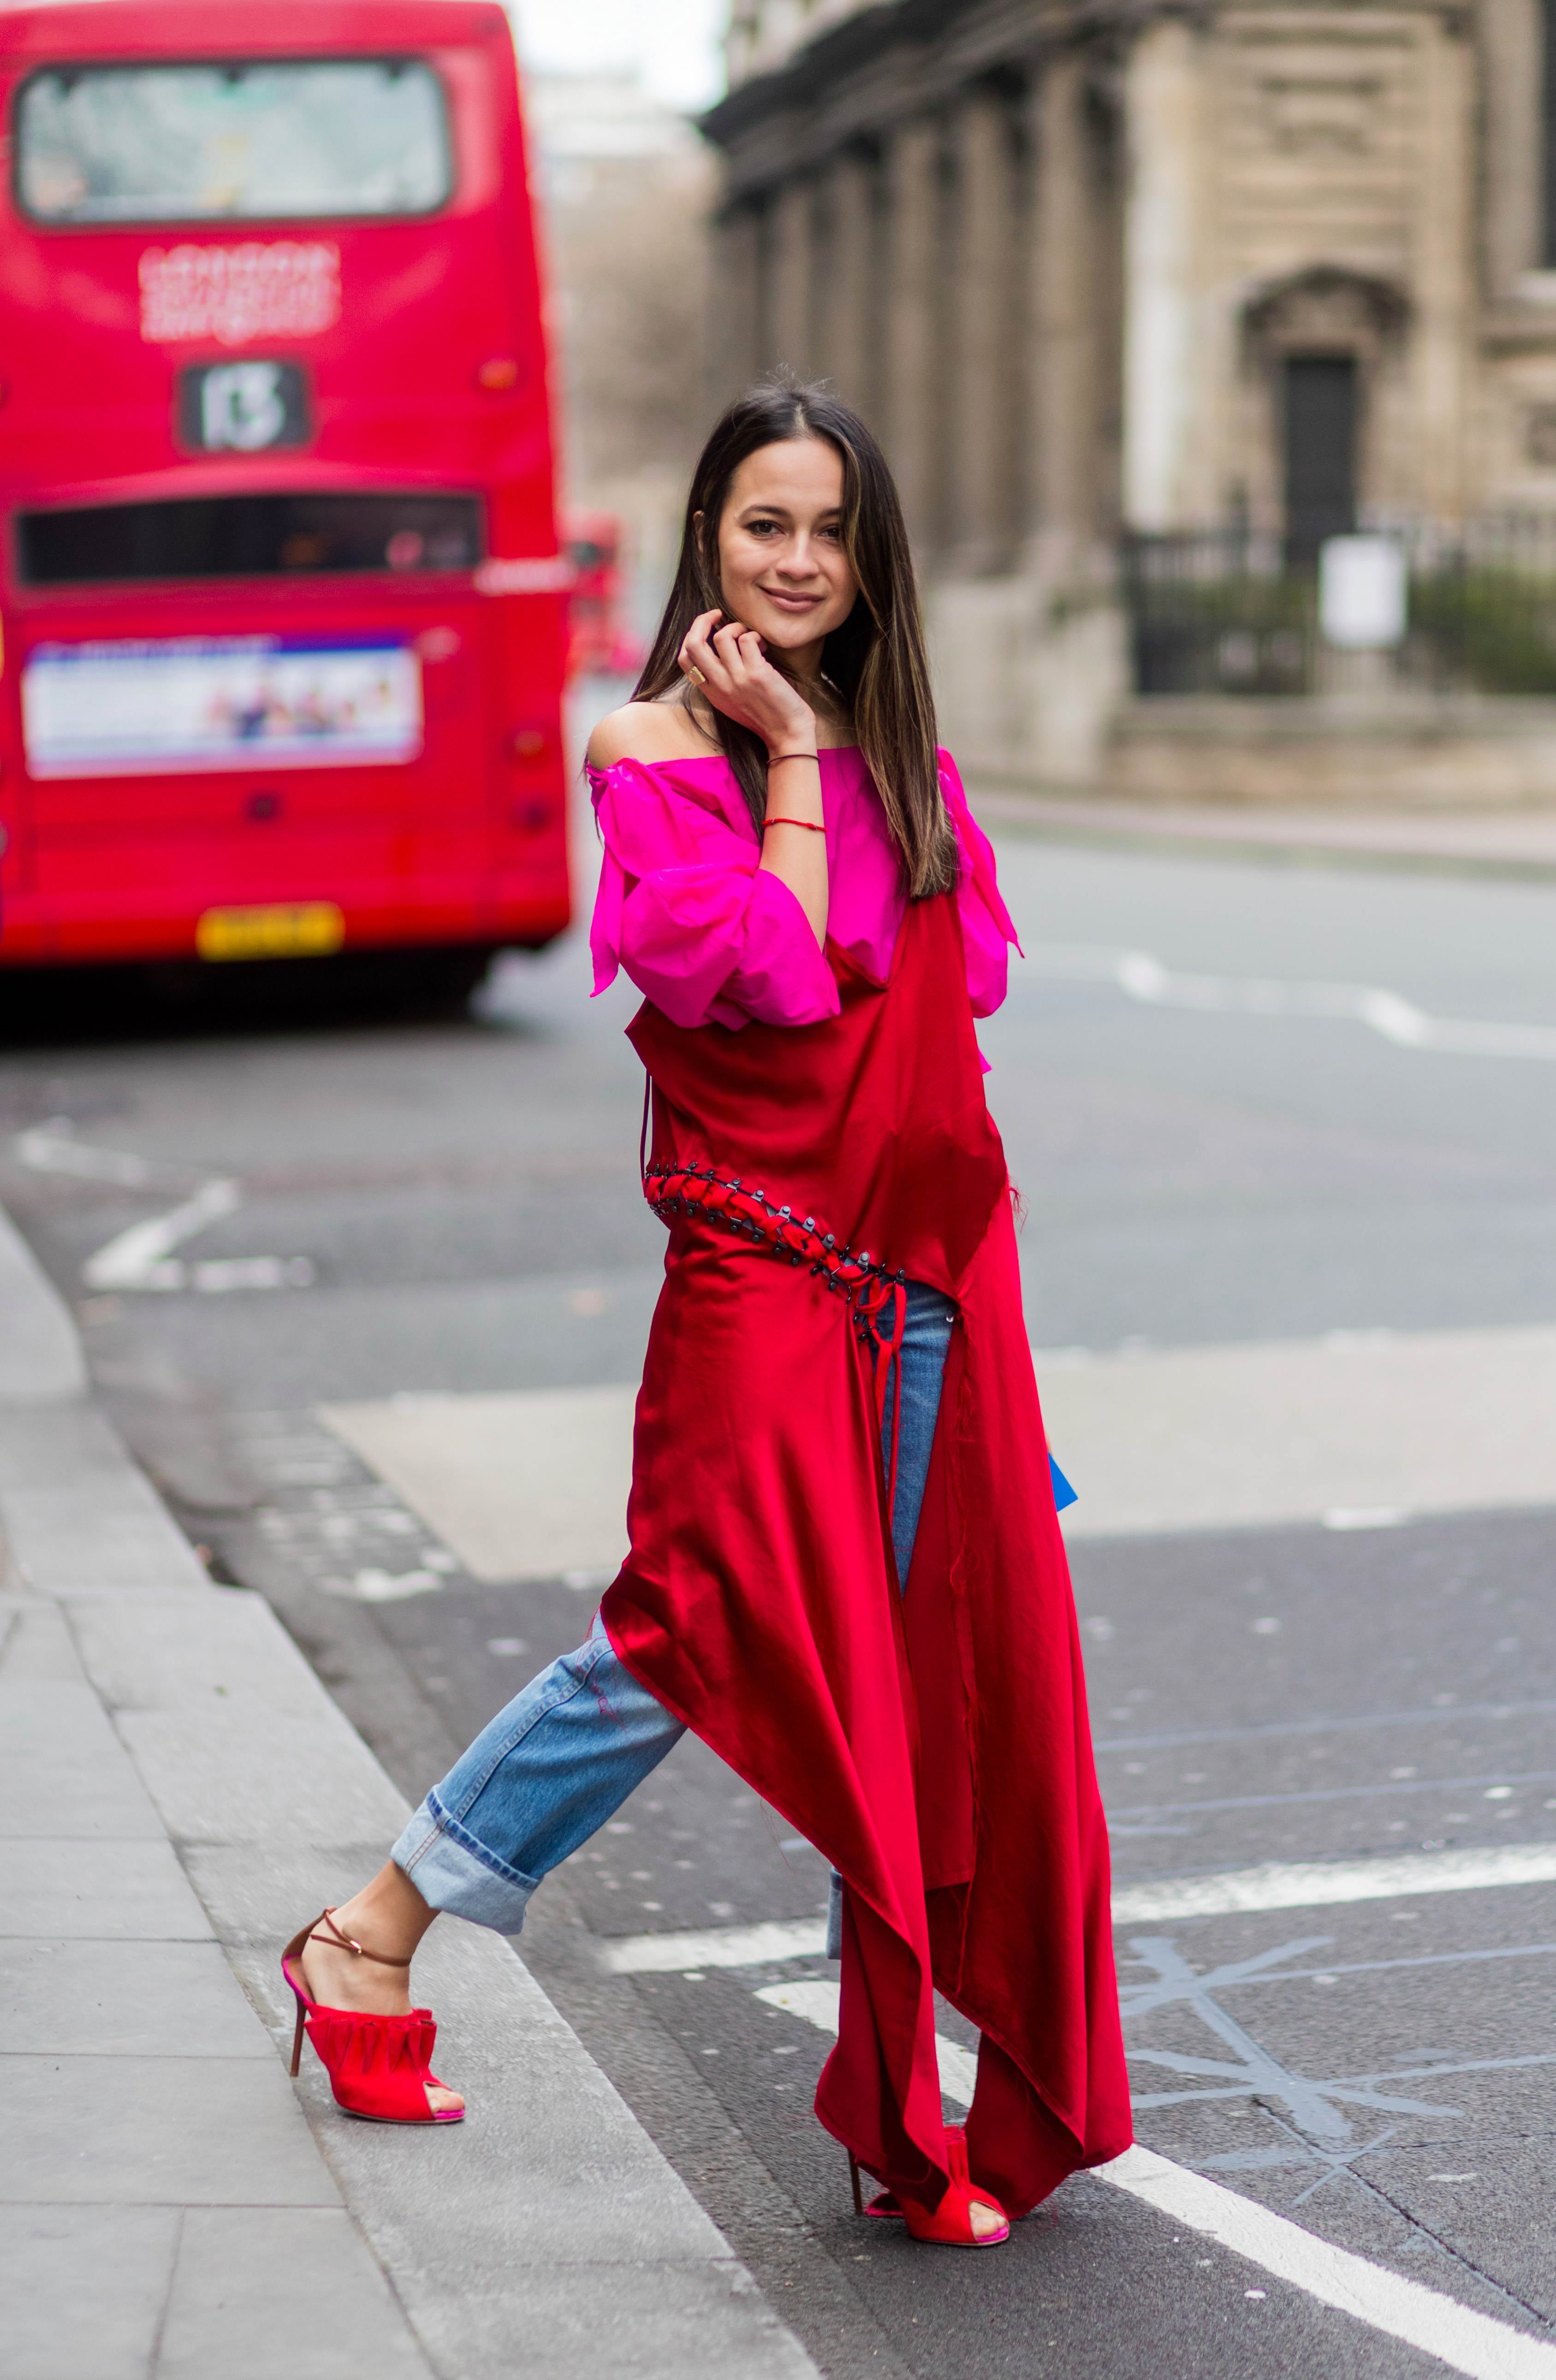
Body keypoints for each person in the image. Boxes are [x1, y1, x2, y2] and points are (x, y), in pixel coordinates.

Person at [283, 383, 1131, 2248]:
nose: (799, 560)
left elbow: (962, 965)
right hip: (760, 1262)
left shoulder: (890, 746)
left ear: (868, 552)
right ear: (707, 537)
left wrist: (830, 754)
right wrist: (803, 770)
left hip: (924, 1277)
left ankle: (901, 2115)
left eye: (829, 530)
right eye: (764, 525)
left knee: (916, 1666)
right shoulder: (643, 745)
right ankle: (370, 1932)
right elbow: (773, 973)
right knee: (689, 1626)